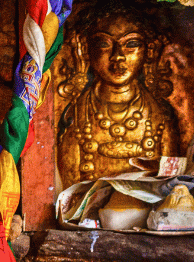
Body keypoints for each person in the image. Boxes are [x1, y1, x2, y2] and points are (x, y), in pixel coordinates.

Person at [56, 1, 180, 190]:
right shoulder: (75, 115)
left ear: (150, 50)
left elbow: (170, 185)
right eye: (104, 44)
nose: (118, 56)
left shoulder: (161, 116)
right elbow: (69, 181)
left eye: (131, 44)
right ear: (85, 48)